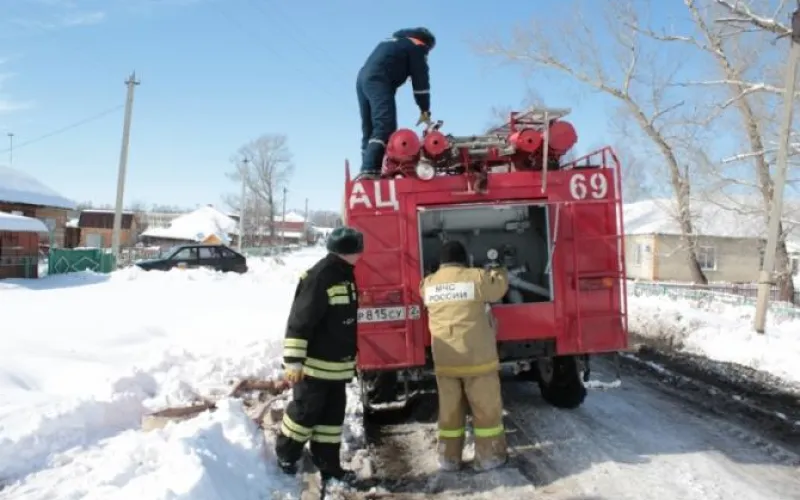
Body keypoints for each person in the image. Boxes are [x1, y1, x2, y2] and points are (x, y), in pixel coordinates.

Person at [274, 226, 364, 484]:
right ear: (352, 250)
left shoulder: (343, 274)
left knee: (330, 422)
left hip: (336, 368)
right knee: (304, 414)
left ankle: (328, 464)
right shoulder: (321, 276)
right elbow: (300, 321)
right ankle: (286, 455)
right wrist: (293, 361)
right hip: (314, 368)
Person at [420, 240, 510, 472]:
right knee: (486, 412)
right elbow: (498, 288)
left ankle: (448, 460)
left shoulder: (428, 284)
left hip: (446, 362)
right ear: (465, 260)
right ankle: (488, 457)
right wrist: (498, 269)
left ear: (441, 263)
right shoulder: (476, 277)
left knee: (450, 414)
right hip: (477, 361)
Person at [356, 27, 436, 180]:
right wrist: (425, 110)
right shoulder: (417, 47)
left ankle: (366, 169)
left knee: (370, 127)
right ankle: (371, 170)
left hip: (362, 78)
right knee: (385, 125)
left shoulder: (395, 42)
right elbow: (421, 83)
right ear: (427, 43)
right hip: (379, 79)